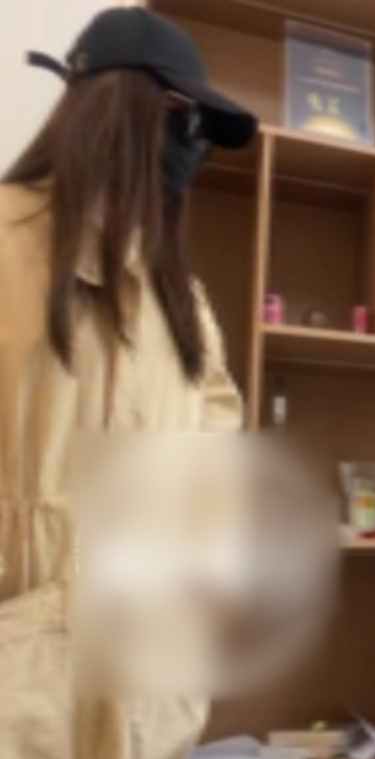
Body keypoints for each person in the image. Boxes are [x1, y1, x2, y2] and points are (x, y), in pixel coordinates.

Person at [0, 8, 257, 758]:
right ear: (116, 105)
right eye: (185, 118)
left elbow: (215, 448)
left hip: (152, 679)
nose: (194, 146)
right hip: (28, 675)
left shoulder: (181, 300)